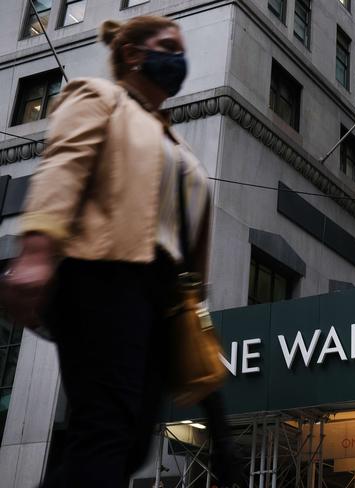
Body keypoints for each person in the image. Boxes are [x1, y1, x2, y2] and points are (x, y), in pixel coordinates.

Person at [1, 15, 226, 488]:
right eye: (168, 45)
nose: (179, 58)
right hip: (102, 276)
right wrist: (37, 250)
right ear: (133, 54)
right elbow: (65, 165)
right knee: (106, 430)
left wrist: (195, 311)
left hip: (161, 302)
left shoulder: (175, 140)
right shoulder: (98, 96)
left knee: (131, 445)